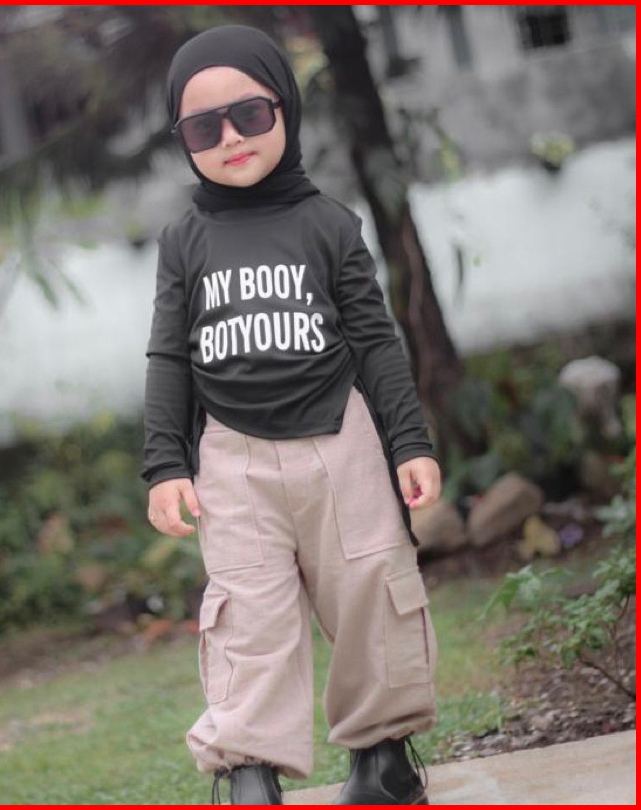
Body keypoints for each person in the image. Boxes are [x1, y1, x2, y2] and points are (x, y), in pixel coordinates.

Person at [141, 24, 441, 806]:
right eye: (203, 128)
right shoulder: (185, 240)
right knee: (248, 614)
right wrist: (165, 464)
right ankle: (249, 772)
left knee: (370, 589)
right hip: (232, 458)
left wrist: (409, 443)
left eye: (250, 114)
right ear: (183, 140)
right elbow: (169, 357)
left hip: (342, 443)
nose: (230, 138)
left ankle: (382, 759)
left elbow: (375, 340)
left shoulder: (330, 224)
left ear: (286, 109)